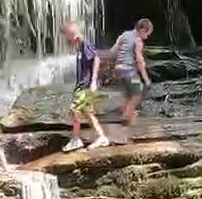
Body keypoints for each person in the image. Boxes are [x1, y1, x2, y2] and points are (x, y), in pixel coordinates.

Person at [61, 21, 111, 152]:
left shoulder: (84, 43)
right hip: (82, 84)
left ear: (71, 32)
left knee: (76, 110)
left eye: (66, 35)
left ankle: (77, 139)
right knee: (85, 112)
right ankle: (100, 138)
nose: (66, 38)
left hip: (86, 84)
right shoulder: (79, 45)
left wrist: (94, 81)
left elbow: (97, 58)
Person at [108, 18, 153, 134]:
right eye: (147, 34)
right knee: (139, 91)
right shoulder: (138, 41)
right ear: (142, 30)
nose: (147, 37)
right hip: (128, 71)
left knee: (129, 94)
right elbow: (139, 60)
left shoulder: (124, 34)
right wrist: (146, 78)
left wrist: (112, 67)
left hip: (118, 71)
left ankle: (126, 112)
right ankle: (125, 119)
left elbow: (113, 51)